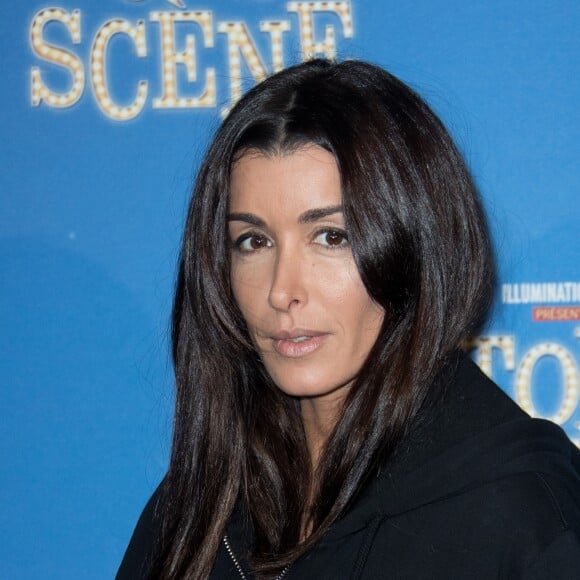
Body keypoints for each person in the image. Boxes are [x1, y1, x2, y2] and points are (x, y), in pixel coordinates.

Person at [117, 59, 580, 579]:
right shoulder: (198, 506)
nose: (282, 290)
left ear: (415, 246)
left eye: (331, 237)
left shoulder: (517, 518)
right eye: (254, 241)